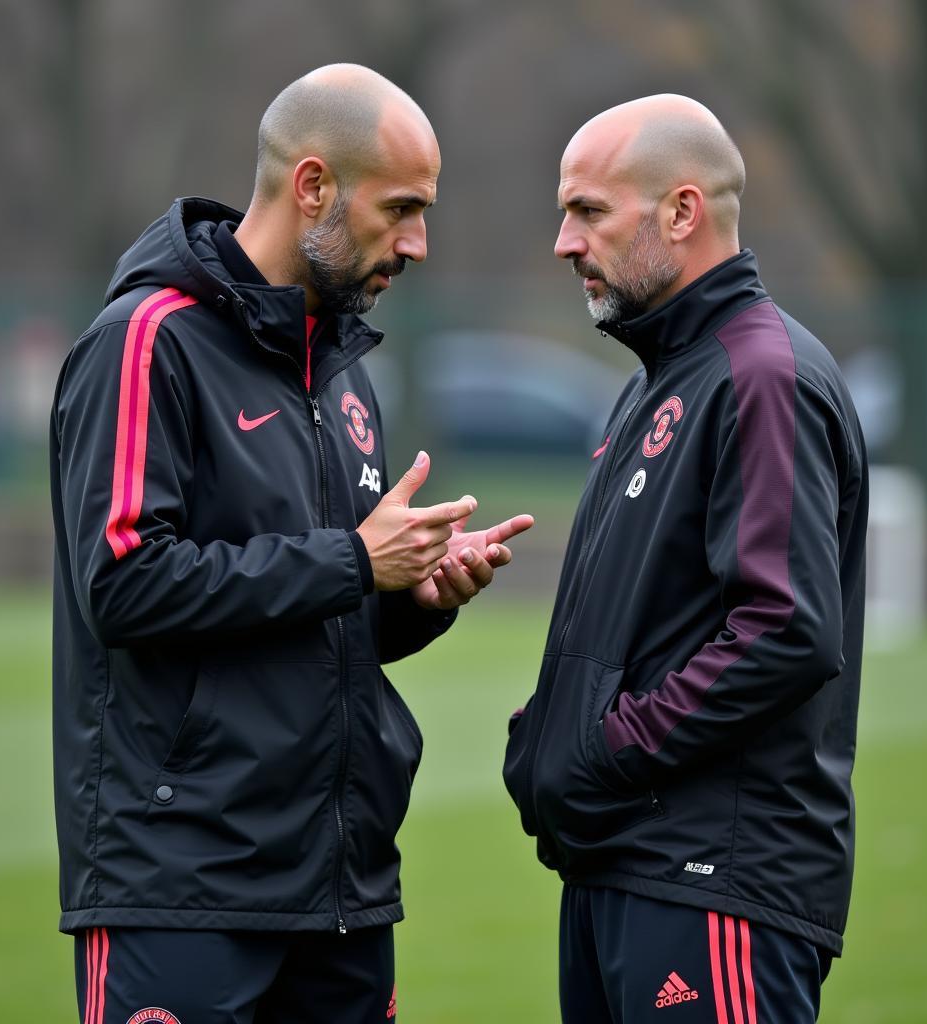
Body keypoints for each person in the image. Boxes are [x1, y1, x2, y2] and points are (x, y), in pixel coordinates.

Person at [50, 64, 532, 1024]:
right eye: (400, 209)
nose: (419, 243)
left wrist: (412, 598)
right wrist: (356, 560)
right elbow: (126, 583)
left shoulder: (343, 371)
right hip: (181, 885)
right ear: (312, 186)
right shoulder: (148, 341)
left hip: (340, 887)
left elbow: (318, 619)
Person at [503, 94, 867, 1024]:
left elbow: (784, 629)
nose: (563, 241)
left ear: (681, 211)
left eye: (588, 211)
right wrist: (550, 728)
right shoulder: (665, 381)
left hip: (712, 878)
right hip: (625, 864)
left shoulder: (761, 376)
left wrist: (602, 750)